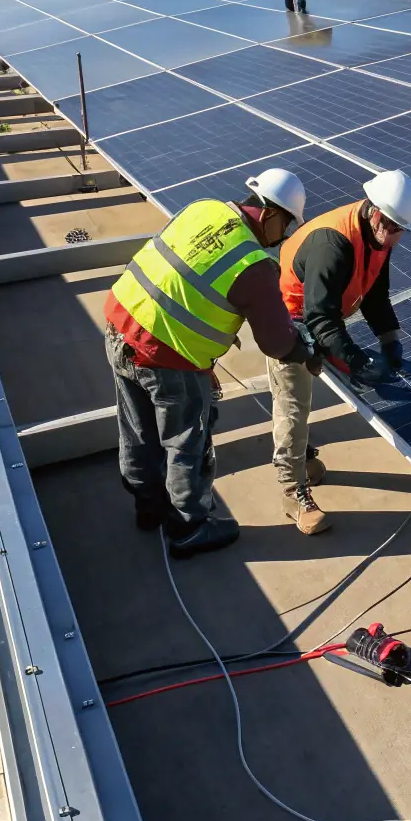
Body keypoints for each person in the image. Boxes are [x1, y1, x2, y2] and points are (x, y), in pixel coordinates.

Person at [104, 168, 322, 558]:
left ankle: (148, 507)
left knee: (137, 430)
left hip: (120, 325)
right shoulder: (253, 265)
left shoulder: (204, 209)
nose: (284, 237)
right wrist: (305, 350)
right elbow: (277, 343)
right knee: (188, 442)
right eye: (287, 225)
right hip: (168, 358)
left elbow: (183, 283)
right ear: (272, 214)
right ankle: (189, 527)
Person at [269, 170, 411, 536]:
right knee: (293, 400)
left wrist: (389, 339)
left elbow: (375, 294)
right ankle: (292, 492)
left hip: (320, 313)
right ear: (374, 213)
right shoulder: (333, 245)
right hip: (289, 318)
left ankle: (302, 458)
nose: (397, 236)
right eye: (394, 227)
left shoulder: (380, 238)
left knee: (310, 388)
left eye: (402, 229)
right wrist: (355, 362)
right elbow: (319, 318)